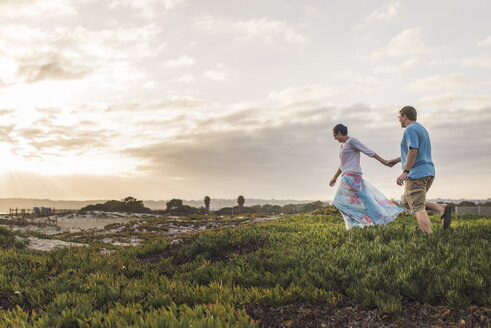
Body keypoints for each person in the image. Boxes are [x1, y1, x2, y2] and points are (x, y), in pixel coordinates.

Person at [387, 106, 451, 234]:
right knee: (406, 201)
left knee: (417, 207)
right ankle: (440, 208)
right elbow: (412, 152)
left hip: (417, 173)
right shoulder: (422, 129)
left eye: (399, 117)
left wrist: (405, 172)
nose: (399, 119)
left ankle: (429, 239)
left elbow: (413, 150)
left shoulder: (410, 130)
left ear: (405, 117)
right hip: (428, 172)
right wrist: (395, 160)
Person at [330, 124, 402, 230]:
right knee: (353, 202)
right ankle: (354, 225)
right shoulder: (342, 145)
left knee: (341, 200)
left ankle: (371, 220)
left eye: (335, 135)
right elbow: (342, 164)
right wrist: (334, 177)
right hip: (346, 176)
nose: (335, 138)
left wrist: (384, 161)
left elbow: (368, 151)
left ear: (340, 133)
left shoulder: (352, 141)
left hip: (353, 176)